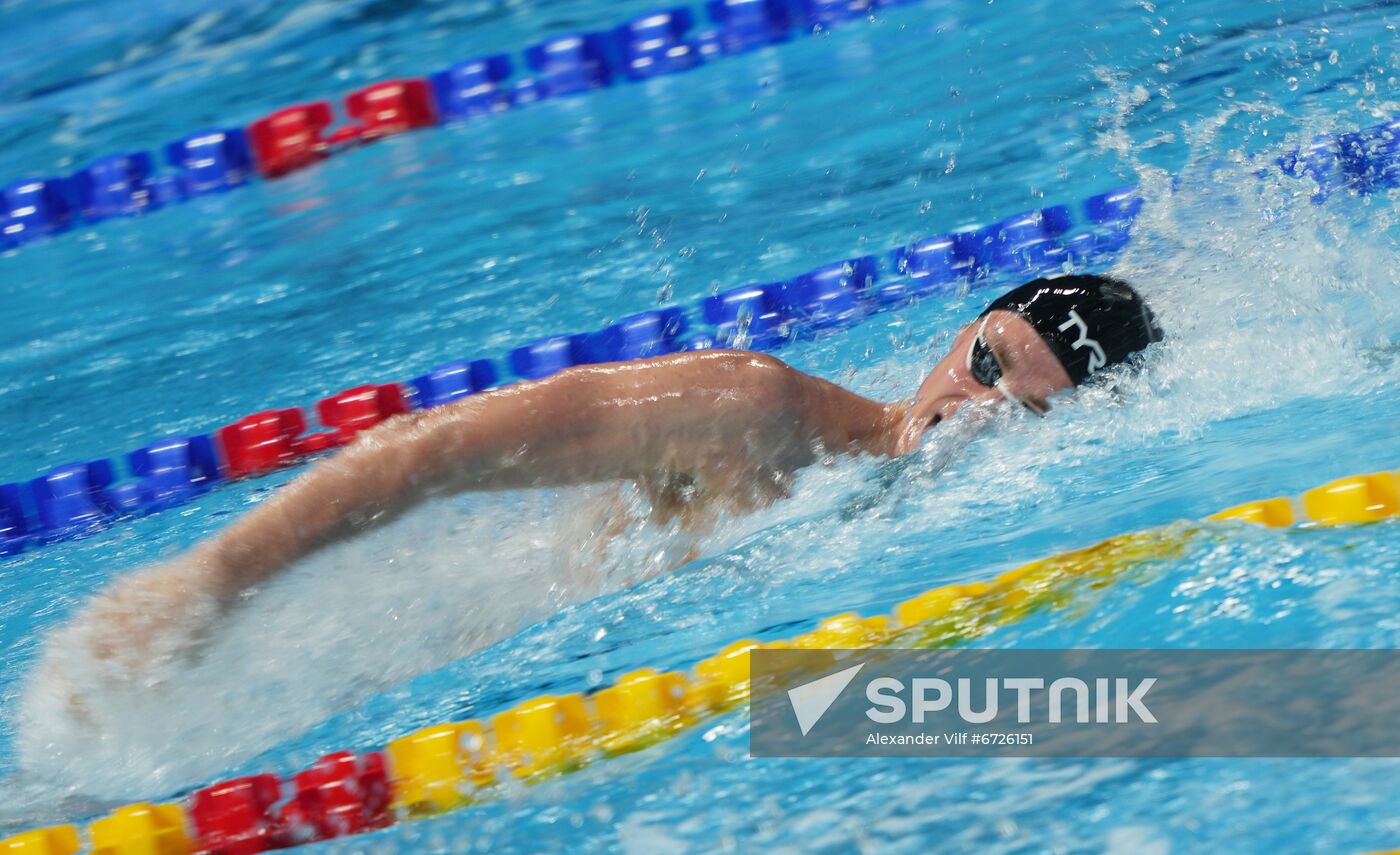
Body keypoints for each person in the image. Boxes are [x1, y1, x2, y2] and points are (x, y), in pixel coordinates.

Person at [72, 273, 1163, 677]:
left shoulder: (1013, 546)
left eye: (1014, 411)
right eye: (980, 364)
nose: (962, 409)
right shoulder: (752, 410)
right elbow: (431, 451)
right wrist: (212, 581)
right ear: (959, 328)